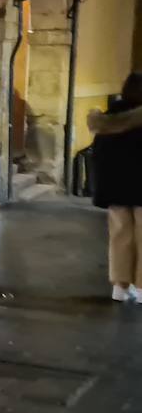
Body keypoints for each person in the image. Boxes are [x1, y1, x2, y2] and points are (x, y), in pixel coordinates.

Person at [89, 73, 142, 303]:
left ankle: (119, 288)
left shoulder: (107, 119)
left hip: (116, 189)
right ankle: (141, 289)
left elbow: (99, 155)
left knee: (120, 237)